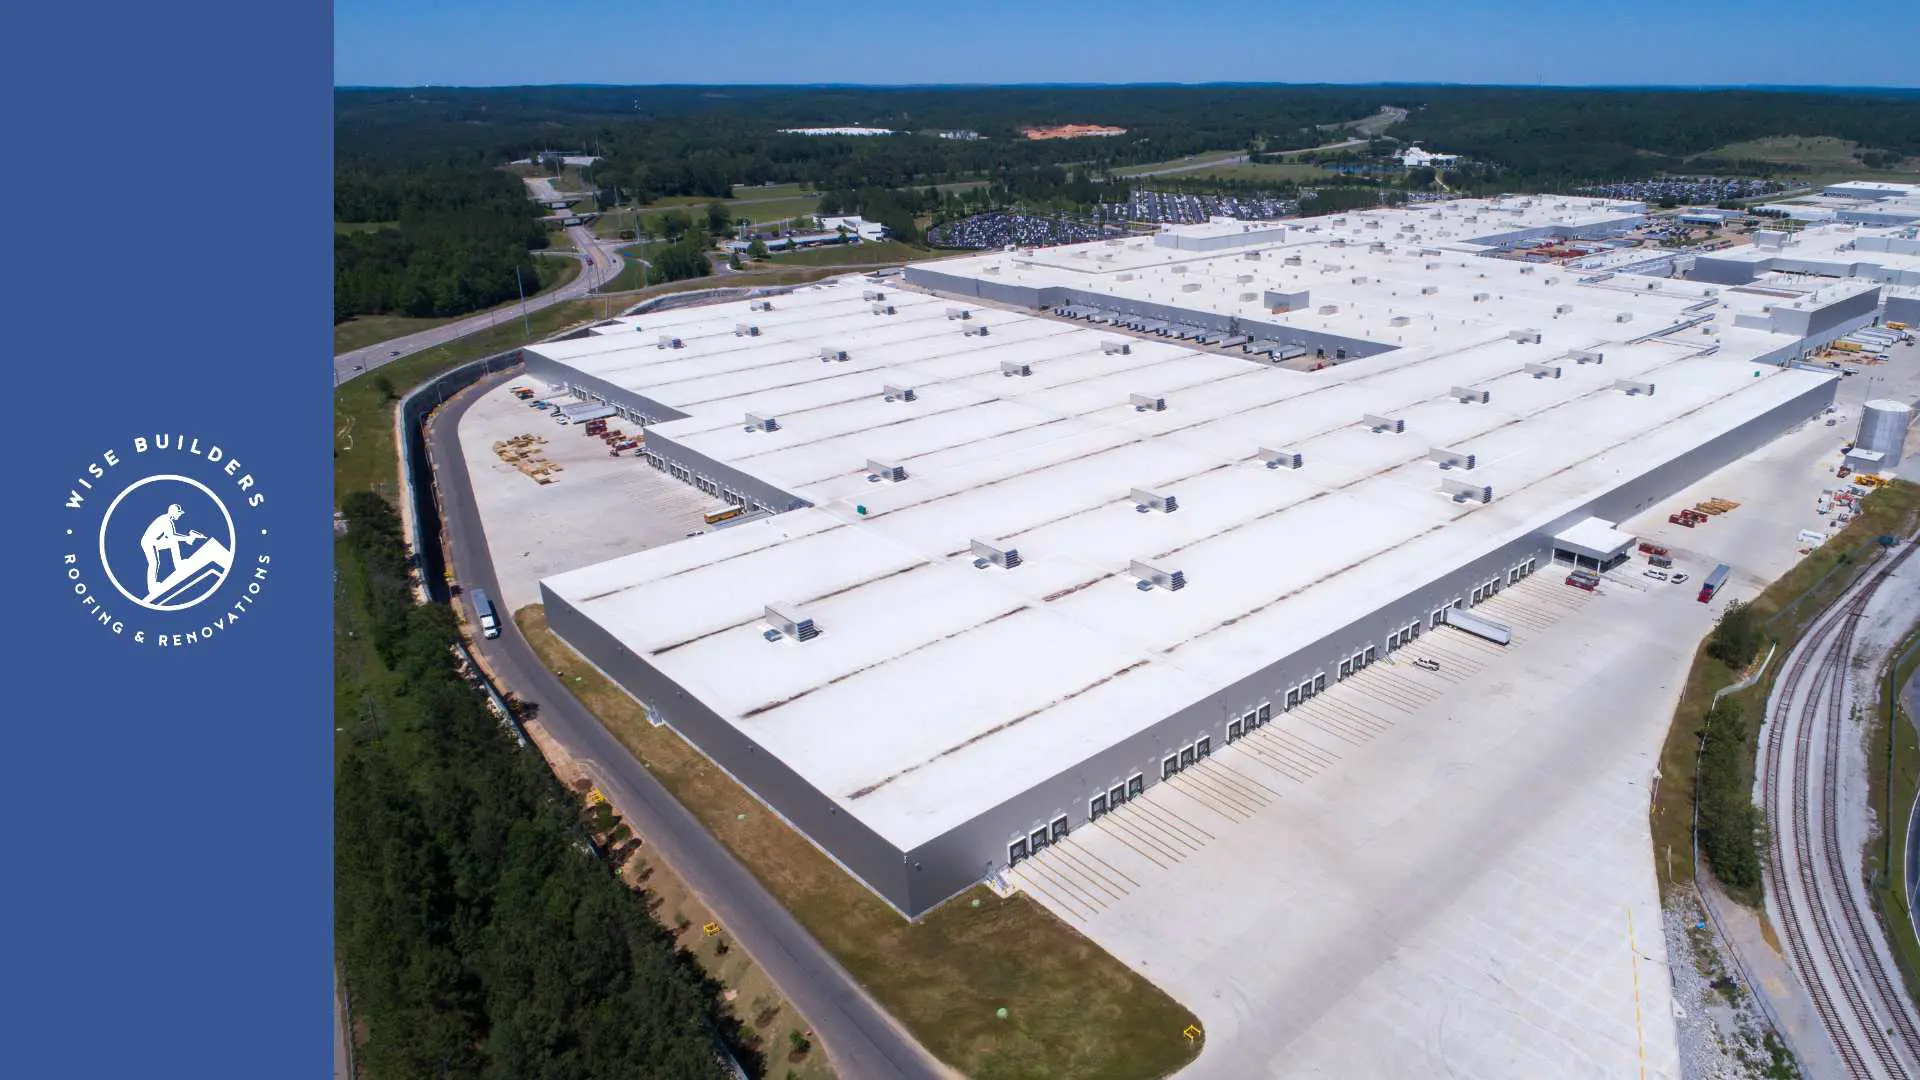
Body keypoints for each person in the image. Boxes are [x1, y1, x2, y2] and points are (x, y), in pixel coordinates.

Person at [141, 503, 206, 595]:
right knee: (154, 562)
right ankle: (152, 588)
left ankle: (178, 564)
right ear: (173, 512)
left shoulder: (167, 519)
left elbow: (171, 536)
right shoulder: (165, 520)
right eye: (178, 513)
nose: (180, 515)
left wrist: (187, 538)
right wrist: (187, 538)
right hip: (149, 542)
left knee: (173, 543)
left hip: (155, 541)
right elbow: (172, 536)